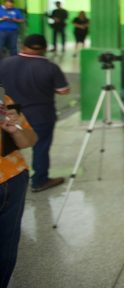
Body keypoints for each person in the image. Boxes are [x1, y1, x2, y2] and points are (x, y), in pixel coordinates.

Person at [0, 34, 69, 192]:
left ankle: (10, 179)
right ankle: (39, 181)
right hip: (41, 115)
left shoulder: (5, 63)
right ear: (44, 49)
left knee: (10, 147)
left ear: (23, 46)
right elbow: (63, 90)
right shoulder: (50, 67)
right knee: (40, 147)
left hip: (11, 114)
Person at [0, 94, 37, 288]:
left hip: (11, 180)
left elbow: (30, 139)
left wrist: (15, 130)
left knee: (5, 250)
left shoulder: (4, 99)